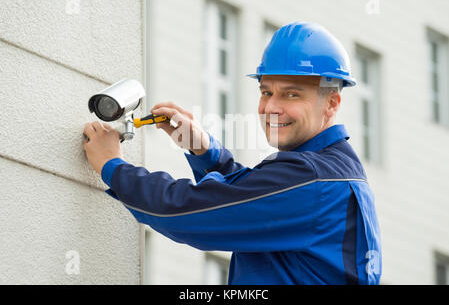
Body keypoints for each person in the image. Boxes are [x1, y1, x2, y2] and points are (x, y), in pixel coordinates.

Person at [83, 22, 382, 285]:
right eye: (266, 92)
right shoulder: (330, 172)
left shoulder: (312, 180)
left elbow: (185, 212)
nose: (271, 107)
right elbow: (253, 202)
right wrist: (202, 149)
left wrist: (112, 166)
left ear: (331, 104)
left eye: (292, 94)